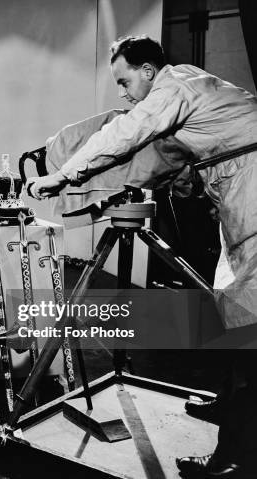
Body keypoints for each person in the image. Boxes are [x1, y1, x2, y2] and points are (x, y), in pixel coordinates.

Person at [27, 36, 257, 478]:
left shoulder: (173, 89)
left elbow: (126, 132)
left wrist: (62, 175)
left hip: (251, 195)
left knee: (252, 320)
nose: (123, 92)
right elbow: (180, 151)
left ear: (149, 70)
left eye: (125, 80)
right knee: (240, 306)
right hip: (241, 193)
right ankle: (228, 404)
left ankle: (234, 454)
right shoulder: (191, 80)